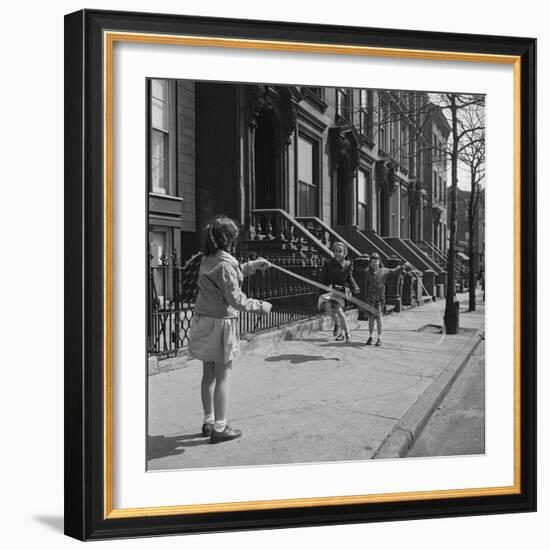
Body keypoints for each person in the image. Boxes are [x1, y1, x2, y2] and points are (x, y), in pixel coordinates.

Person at [189, 216, 272, 443]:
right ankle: (220, 428)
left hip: (204, 320)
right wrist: (261, 306)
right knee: (223, 376)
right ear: (229, 239)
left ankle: (208, 422)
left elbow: (226, 279)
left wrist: (253, 266)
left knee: (208, 374)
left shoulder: (208, 258)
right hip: (220, 325)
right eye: (235, 237)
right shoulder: (225, 264)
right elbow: (236, 299)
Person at [364, 253, 409, 347]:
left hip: (380, 298)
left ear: (379, 261)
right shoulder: (367, 272)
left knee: (379, 317)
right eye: (372, 261)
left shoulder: (384, 271)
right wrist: (365, 299)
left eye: (376, 261)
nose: (374, 263)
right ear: (370, 263)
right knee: (371, 318)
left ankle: (379, 337)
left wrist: (403, 266)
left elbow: (395, 271)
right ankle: (370, 336)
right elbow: (365, 286)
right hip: (370, 298)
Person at [317, 241, 359, 343]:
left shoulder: (348, 264)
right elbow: (324, 277)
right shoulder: (328, 263)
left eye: (340, 251)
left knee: (339, 310)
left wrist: (355, 287)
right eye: (335, 251)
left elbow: (349, 277)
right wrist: (324, 287)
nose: (337, 253)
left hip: (342, 291)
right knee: (327, 307)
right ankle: (338, 324)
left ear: (344, 253)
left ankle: (347, 333)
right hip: (331, 290)